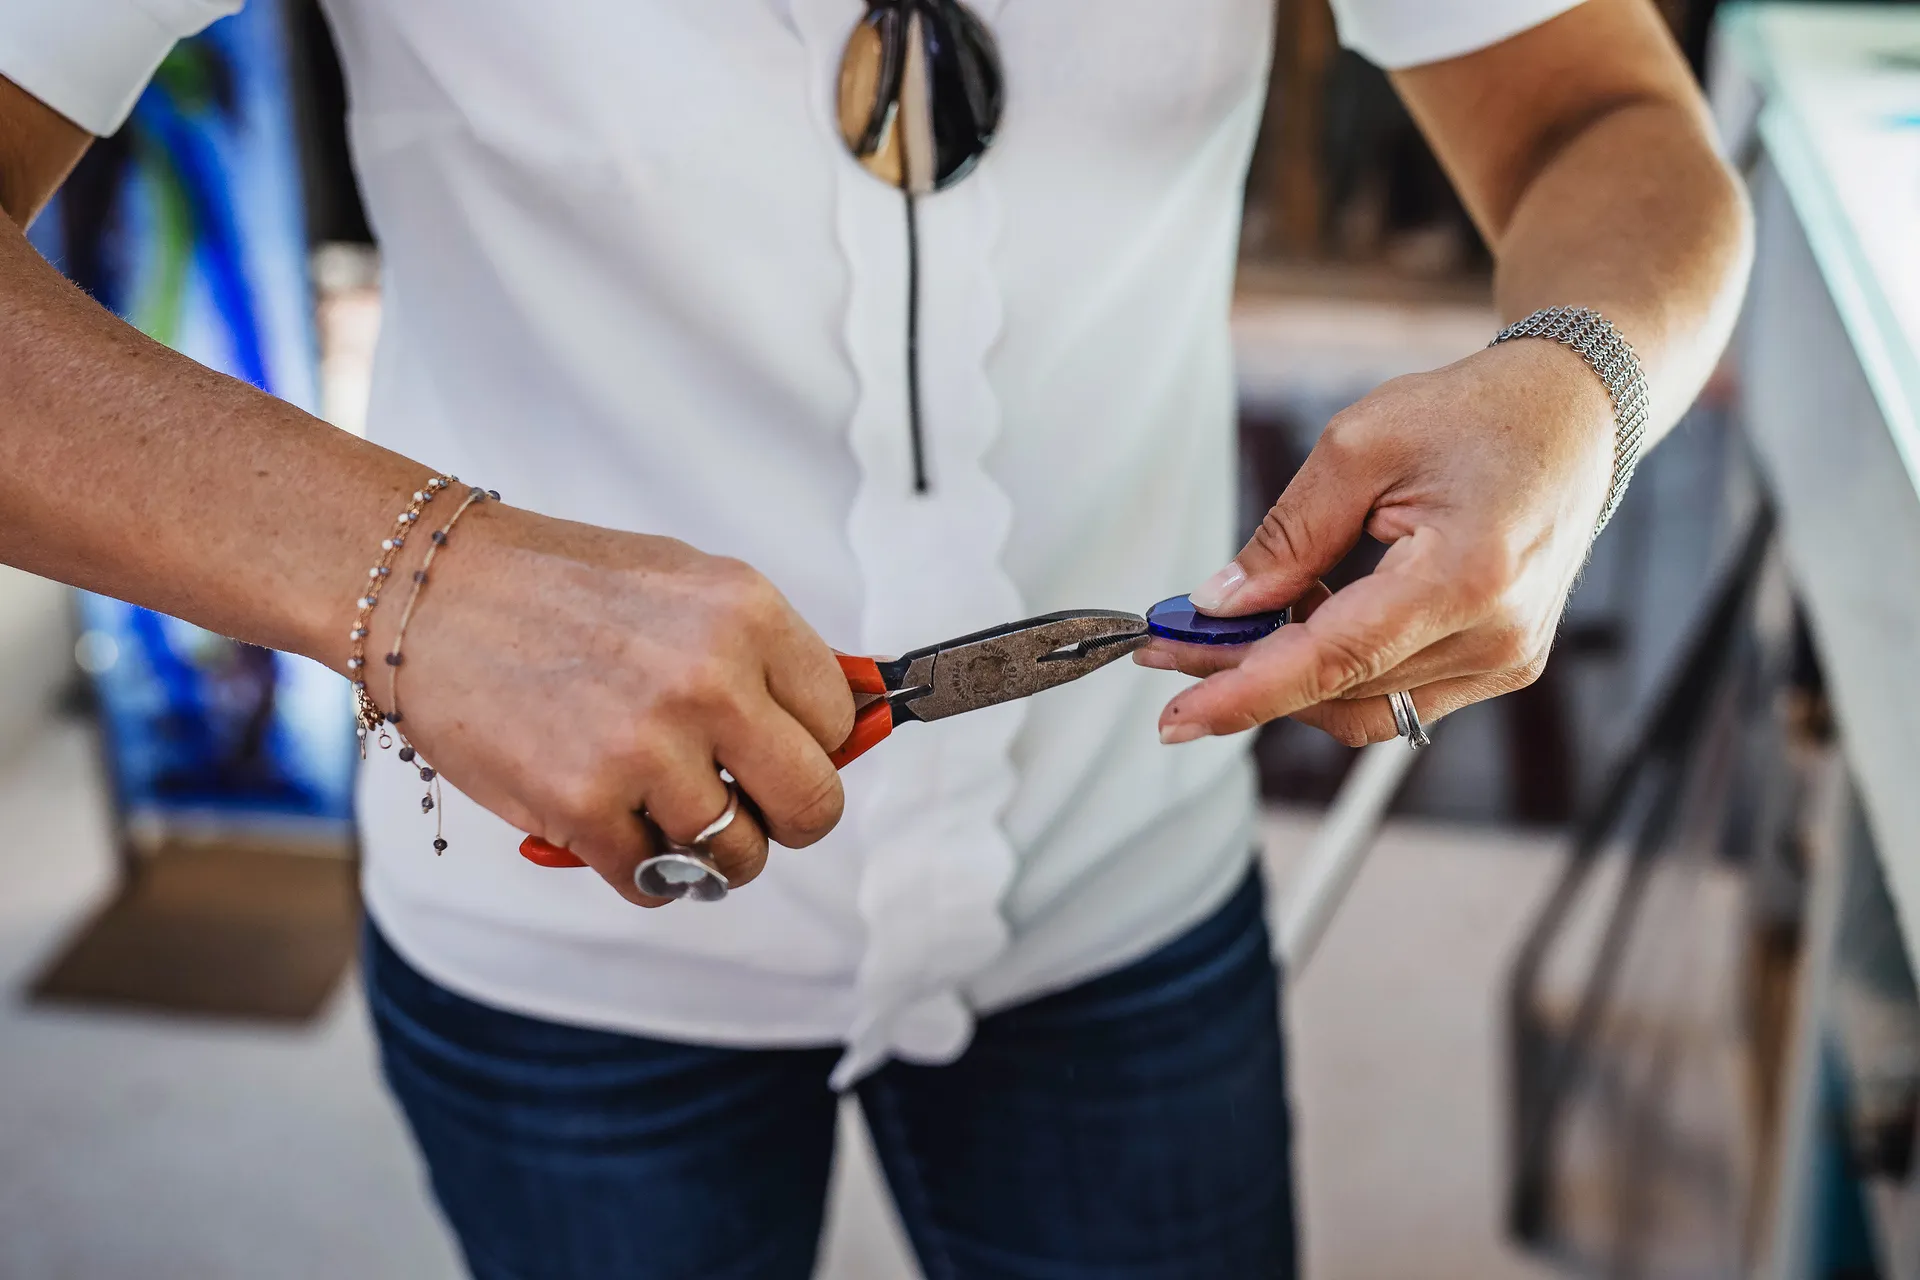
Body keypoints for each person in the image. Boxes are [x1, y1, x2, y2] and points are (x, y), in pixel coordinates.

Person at [0, 0, 1749, 1275]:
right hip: (561, 948)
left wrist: (1574, 398)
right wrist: (413, 578)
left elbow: (1601, 115)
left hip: (1122, 884)